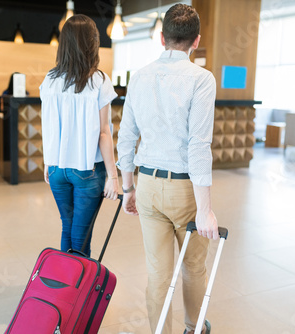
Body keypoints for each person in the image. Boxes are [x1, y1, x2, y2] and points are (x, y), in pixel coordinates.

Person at [116, 4, 219, 334]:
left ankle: (160, 331)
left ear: (162, 38)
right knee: (193, 265)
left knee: (158, 271)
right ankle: (193, 328)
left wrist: (128, 187)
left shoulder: (140, 76)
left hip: (146, 185)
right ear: (196, 40)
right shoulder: (201, 80)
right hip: (184, 189)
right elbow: (198, 145)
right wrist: (205, 210)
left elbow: (127, 135)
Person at [40, 15, 119, 257]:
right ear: (92, 43)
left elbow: (49, 125)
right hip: (87, 169)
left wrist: (48, 161)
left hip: (57, 169)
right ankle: (78, 290)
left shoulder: (49, 81)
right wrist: (113, 176)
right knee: (82, 237)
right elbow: (103, 133)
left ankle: (66, 287)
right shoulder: (99, 81)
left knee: (68, 227)